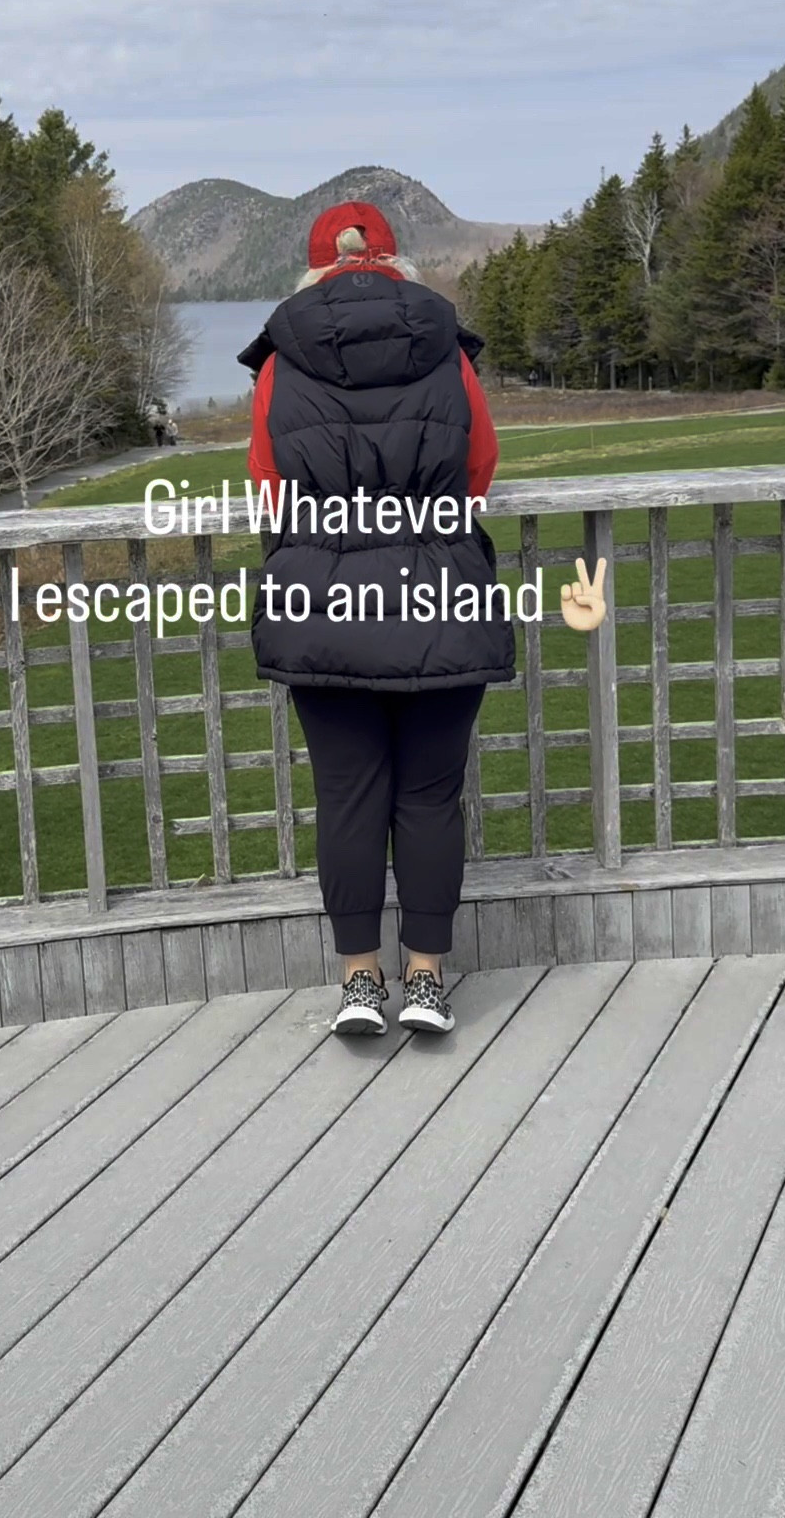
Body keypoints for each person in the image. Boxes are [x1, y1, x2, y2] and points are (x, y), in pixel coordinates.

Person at [239, 201, 515, 1038]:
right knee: (431, 798)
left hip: (322, 602)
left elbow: (267, 483)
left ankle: (361, 982)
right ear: (397, 265)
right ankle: (426, 982)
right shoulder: (444, 346)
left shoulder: (283, 359)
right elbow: (480, 464)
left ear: (314, 269)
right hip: (442, 593)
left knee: (348, 796)